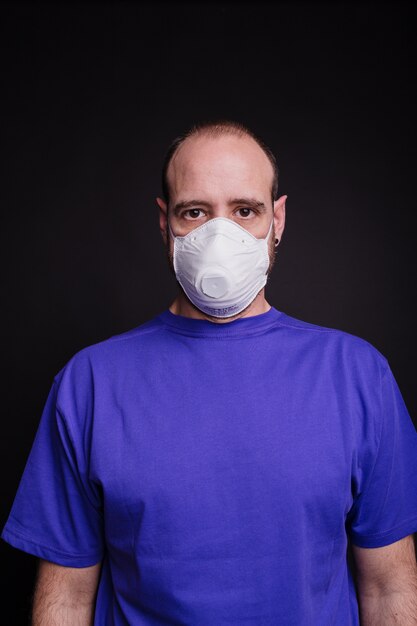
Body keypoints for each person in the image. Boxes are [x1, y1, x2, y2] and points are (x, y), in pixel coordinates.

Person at [2, 120, 417, 625]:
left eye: (245, 211)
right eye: (195, 212)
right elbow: (65, 598)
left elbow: (388, 587)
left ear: (277, 219)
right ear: (165, 223)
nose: (221, 234)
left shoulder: (356, 375)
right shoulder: (89, 384)